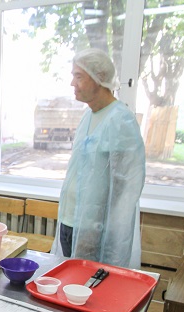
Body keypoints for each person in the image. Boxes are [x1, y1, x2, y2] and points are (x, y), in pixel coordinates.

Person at [51, 48, 145, 269]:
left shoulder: (120, 120)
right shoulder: (88, 116)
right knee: (69, 283)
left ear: (99, 78)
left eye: (79, 76)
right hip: (69, 220)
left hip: (94, 229)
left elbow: (125, 186)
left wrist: (103, 229)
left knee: (88, 289)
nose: (72, 83)